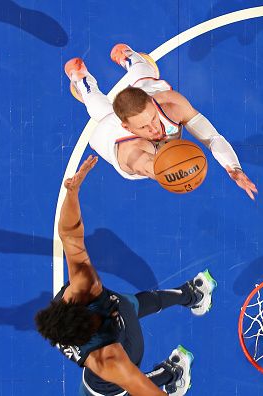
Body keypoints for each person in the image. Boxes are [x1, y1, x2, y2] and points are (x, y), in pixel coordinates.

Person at [35, 155, 218, 396]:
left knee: (100, 388)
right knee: (116, 376)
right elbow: (142, 389)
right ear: (93, 330)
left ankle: (174, 364)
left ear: (76, 302)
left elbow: (70, 233)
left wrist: (73, 193)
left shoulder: (83, 287)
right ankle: (174, 360)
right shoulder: (108, 361)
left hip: (121, 329)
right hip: (120, 346)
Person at [64, 44, 258, 200]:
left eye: (154, 119)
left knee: (145, 75)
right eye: (144, 127)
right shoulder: (132, 152)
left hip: (147, 101)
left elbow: (213, 138)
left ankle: (127, 55)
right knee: (100, 111)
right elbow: (155, 168)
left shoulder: (168, 103)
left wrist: (235, 168)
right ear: (128, 126)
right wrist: (179, 172)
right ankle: (82, 80)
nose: (155, 129)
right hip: (113, 136)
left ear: (152, 104)